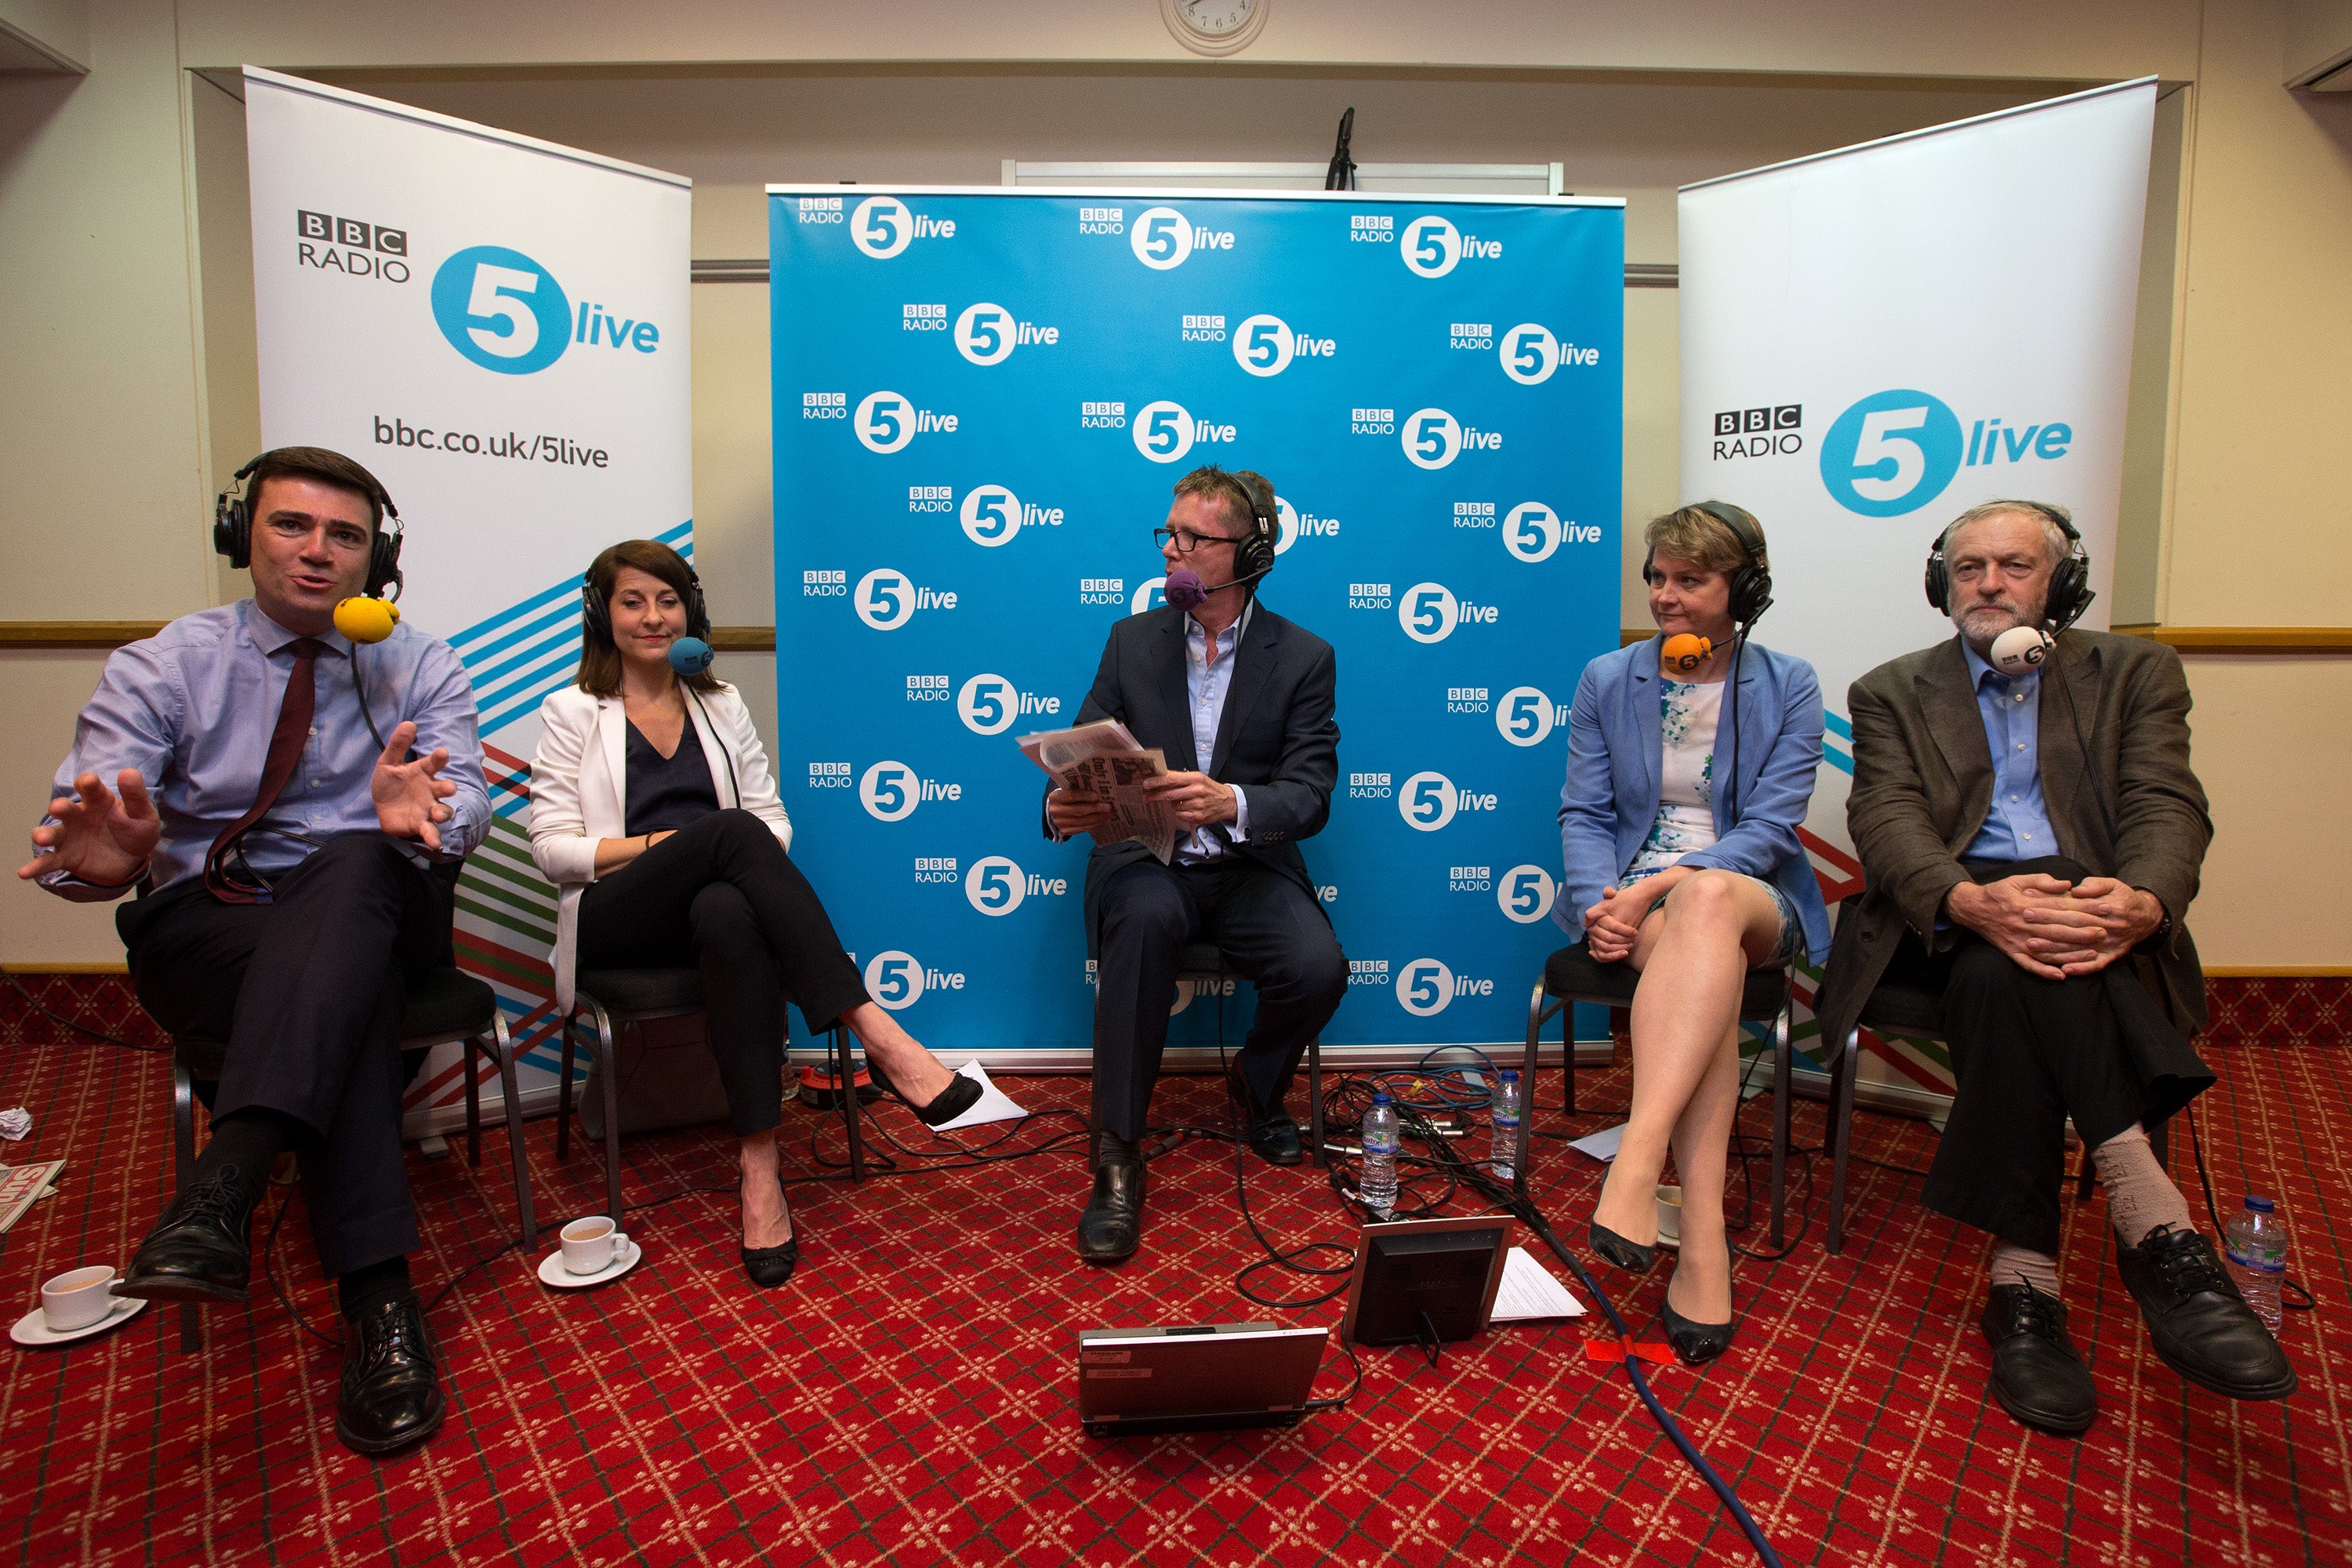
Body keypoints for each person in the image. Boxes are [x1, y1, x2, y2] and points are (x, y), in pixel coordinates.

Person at [20, 447, 488, 1455]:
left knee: (357, 867)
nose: (317, 552)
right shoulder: (166, 662)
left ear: (379, 557)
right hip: (211, 922)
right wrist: (104, 862)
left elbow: (467, 805)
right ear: (245, 535)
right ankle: (379, 1303)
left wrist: (436, 819)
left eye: (346, 535)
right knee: (340, 989)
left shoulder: (421, 662)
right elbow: (93, 820)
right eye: (291, 525)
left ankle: (227, 1176)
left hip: (375, 904)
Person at [1814, 499, 2294, 1435]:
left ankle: (2023, 1287)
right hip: (1947, 913)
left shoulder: (2134, 672)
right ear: (1939, 583)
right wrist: (1968, 900)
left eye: (2015, 566)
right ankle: (2158, 1226)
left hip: (2087, 910)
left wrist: (2144, 900)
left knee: (2014, 973)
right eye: (1969, 568)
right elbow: (1887, 821)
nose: (1989, 584)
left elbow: (2167, 805)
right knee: (2006, 950)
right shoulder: (1891, 689)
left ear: (2061, 582)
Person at [528, 539, 978, 1288]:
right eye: (633, 601)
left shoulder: (721, 702)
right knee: (728, 836)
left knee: (730, 913)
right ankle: (876, 1029)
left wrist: (711, 853)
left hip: (708, 910)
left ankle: (760, 1169)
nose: (653, 617)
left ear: (691, 612)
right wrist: (667, 845)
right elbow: (552, 850)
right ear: (600, 615)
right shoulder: (573, 710)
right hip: (616, 918)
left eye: (668, 601)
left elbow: (773, 819)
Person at [1046, 466, 1345, 1264]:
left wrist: (1232, 802)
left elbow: (1311, 793)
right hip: (1149, 863)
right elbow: (1082, 753)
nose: (1172, 551)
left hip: (1249, 868)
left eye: (1192, 539)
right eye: (1168, 535)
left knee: (1318, 966)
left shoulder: (1306, 657)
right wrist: (1061, 805)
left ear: (1248, 552)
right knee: (1143, 919)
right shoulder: (1130, 640)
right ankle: (1115, 1159)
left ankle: (1257, 1082)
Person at [1555, 502, 1830, 1363]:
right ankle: (1703, 1238)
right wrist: (1604, 898)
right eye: (1657, 578)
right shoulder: (1610, 675)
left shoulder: (1790, 683)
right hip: (1639, 901)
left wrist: (1662, 889)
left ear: (1742, 589)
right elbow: (1587, 810)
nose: (1666, 596)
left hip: (1750, 899)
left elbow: (1773, 830)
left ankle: (1638, 1158)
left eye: (1691, 580)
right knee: (1693, 947)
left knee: (1708, 901)